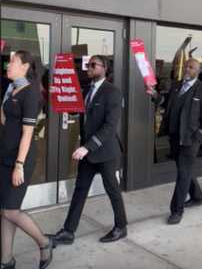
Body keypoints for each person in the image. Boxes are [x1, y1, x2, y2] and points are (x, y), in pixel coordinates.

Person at [50, 55, 127, 246]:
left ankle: (121, 227)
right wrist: (62, 100)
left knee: (113, 191)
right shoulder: (86, 90)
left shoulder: (113, 93)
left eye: (93, 65)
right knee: (80, 190)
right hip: (88, 153)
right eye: (88, 65)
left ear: (104, 68)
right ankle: (68, 231)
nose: (89, 68)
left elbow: (109, 127)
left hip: (105, 153)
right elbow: (79, 111)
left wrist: (87, 147)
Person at [0, 50, 53, 269]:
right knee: (4, 209)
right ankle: (6, 259)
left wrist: (19, 165)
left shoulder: (31, 94)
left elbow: (28, 133)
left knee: (10, 211)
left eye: (12, 62)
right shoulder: (12, 89)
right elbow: (4, 121)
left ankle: (44, 242)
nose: (8, 65)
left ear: (25, 66)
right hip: (4, 156)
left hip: (19, 160)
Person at [148, 59, 202, 224]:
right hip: (175, 137)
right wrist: (155, 95)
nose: (187, 69)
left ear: (197, 71)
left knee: (183, 173)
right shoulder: (176, 86)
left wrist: (198, 139)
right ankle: (197, 197)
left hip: (190, 141)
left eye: (191, 67)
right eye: (186, 66)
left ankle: (176, 210)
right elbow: (165, 103)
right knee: (184, 169)